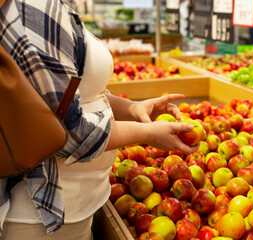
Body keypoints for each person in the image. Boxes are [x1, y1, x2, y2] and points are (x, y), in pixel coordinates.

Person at [0, 1, 198, 239]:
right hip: (41, 215)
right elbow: (65, 130)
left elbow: (72, 96)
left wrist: (132, 108)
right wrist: (147, 134)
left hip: (73, 205)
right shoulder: (35, 7)